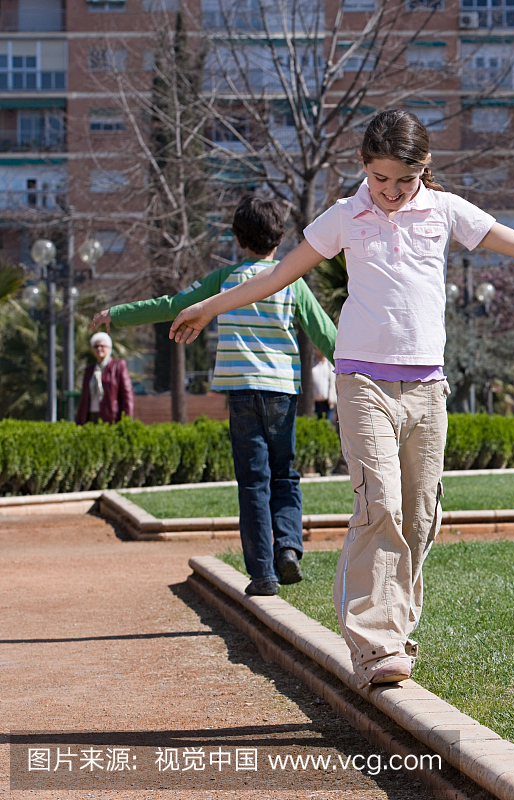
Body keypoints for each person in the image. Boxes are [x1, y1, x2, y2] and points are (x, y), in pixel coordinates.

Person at [167, 110, 514, 687]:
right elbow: (278, 275)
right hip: (362, 381)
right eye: (379, 179)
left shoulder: (444, 212)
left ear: (425, 168)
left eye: (404, 179)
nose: (391, 192)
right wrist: (208, 307)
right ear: (364, 169)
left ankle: (397, 624)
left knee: (420, 516)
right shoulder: (346, 215)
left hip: (426, 387)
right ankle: (374, 641)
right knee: (381, 505)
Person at [90, 196, 338, 598]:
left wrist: (117, 314)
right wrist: (361, 372)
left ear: (238, 238)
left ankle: (262, 575)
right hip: (281, 394)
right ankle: (289, 547)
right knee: (285, 475)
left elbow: (173, 306)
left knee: (253, 483)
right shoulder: (292, 282)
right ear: (280, 238)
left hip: (240, 393)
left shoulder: (223, 280)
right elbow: (326, 335)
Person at [75, 331, 135, 424]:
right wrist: (79, 421)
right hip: (91, 415)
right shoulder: (90, 370)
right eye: (96, 346)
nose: (99, 348)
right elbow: (84, 398)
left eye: (102, 346)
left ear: (109, 348)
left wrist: (126, 420)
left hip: (111, 417)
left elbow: (127, 395)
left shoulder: (118, 366)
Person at [312, 351, 336, 420]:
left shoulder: (330, 364)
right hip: (315, 403)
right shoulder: (312, 362)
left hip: (328, 404)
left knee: (328, 426)